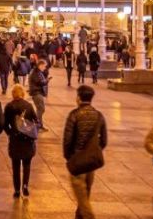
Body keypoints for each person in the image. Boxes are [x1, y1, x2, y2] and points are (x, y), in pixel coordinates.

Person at [62, 84, 107, 219]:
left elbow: (67, 140)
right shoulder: (99, 116)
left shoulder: (74, 115)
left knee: (83, 201)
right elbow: (104, 141)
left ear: (79, 98)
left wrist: (69, 158)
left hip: (78, 161)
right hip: (90, 163)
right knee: (85, 195)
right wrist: (93, 152)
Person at [2, 83, 38, 199]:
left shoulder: (9, 106)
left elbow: (4, 124)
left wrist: (10, 133)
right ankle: (26, 186)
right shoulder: (29, 105)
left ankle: (17, 190)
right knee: (27, 165)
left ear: (13, 94)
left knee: (16, 166)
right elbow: (37, 121)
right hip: (28, 140)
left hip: (15, 140)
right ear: (23, 93)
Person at [27, 59, 49, 131]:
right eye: (44, 66)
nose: (45, 68)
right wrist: (47, 80)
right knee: (41, 109)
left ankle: (39, 125)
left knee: (40, 109)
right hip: (36, 93)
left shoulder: (37, 71)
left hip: (38, 93)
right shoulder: (35, 72)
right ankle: (36, 125)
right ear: (40, 65)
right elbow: (40, 82)